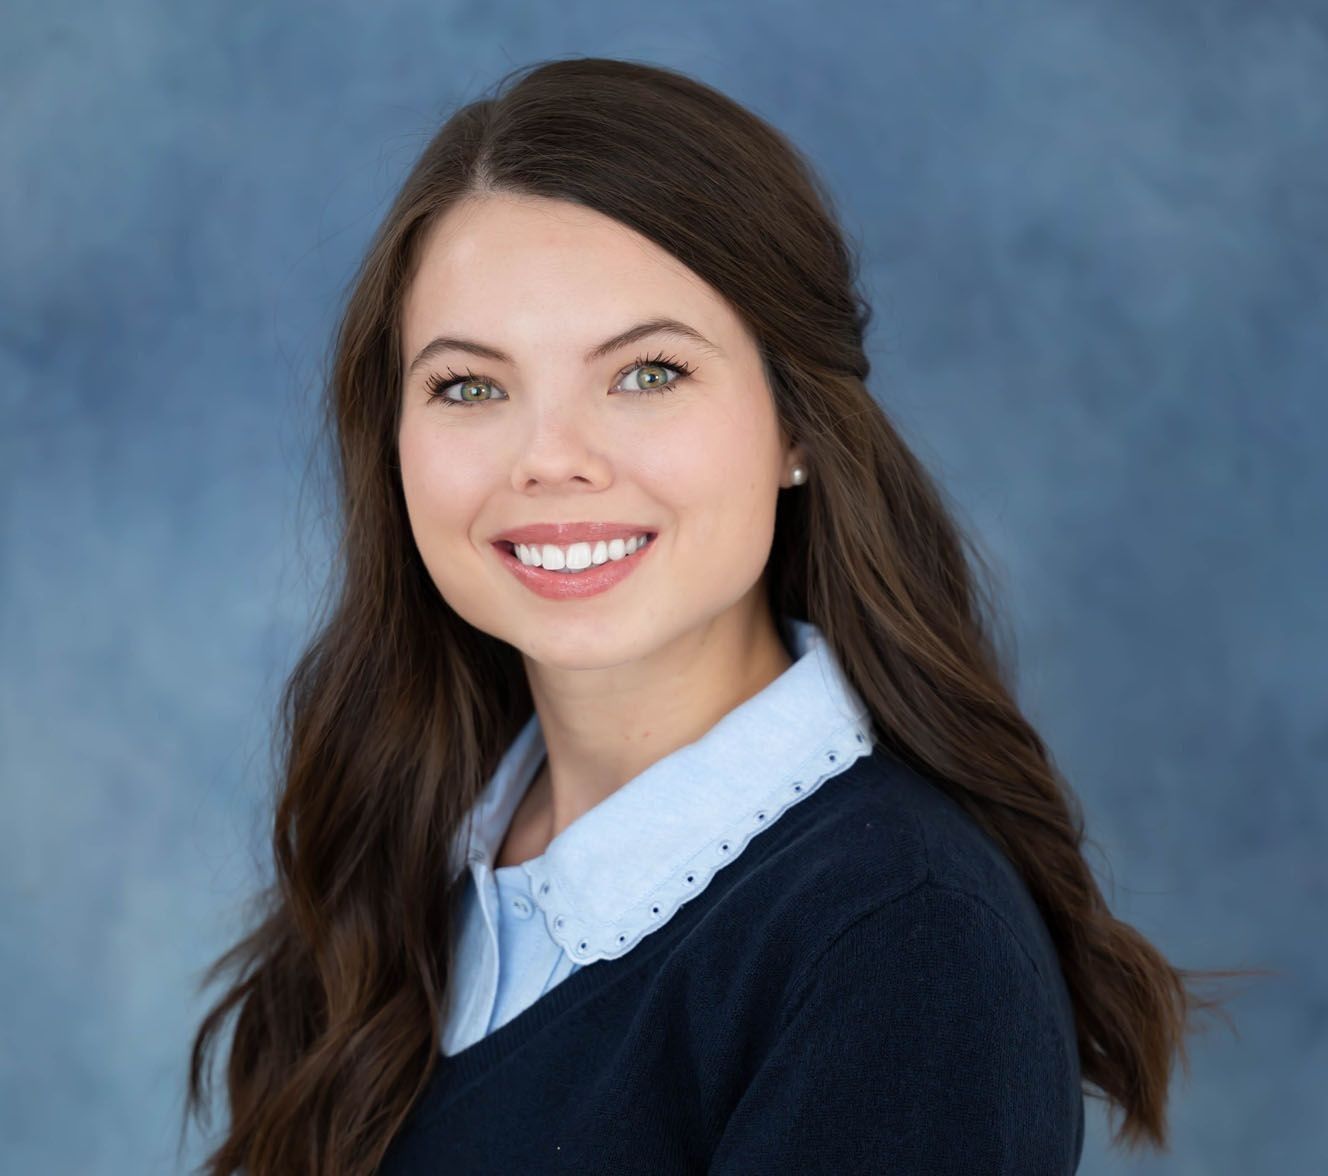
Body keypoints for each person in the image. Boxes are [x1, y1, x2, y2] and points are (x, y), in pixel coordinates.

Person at [184, 56, 1252, 1176]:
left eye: (646, 373)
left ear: (795, 424)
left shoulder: (898, 946)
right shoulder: (401, 846)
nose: (550, 461)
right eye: (469, 386)